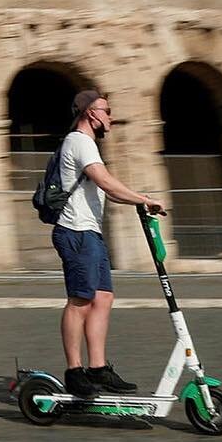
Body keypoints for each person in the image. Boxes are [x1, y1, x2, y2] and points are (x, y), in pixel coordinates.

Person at [51, 89, 166, 397]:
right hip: (75, 231)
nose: (111, 117)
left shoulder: (87, 145)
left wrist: (140, 203)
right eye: (107, 110)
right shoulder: (79, 141)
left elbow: (110, 190)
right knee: (80, 300)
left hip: (91, 232)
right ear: (91, 113)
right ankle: (75, 371)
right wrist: (143, 198)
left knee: (102, 299)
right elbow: (104, 180)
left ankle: (98, 369)